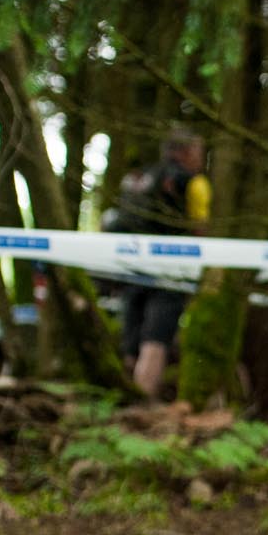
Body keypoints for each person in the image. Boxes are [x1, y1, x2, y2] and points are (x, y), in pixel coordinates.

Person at [111, 125, 211, 398]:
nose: (201, 158)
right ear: (186, 152)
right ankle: (142, 405)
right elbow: (200, 227)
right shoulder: (193, 183)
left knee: (131, 344)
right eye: (199, 151)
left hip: (132, 268)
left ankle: (121, 402)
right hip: (171, 271)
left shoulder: (139, 178)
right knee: (155, 340)